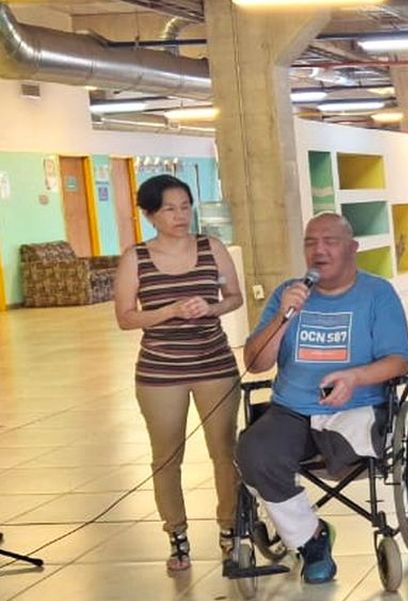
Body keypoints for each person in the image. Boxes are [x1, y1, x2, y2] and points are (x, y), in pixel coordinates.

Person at [235, 212, 408, 584]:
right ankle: (312, 539)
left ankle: (303, 530)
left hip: (357, 408)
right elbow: (255, 363)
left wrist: (355, 377)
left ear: (352, 248)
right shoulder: (287, 293)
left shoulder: (377, 293)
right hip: (292, 409)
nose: (319, 250)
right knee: (254, 453)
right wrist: (283, 316)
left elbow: (399, 360)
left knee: (346, 451)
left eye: (330, 241)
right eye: (310, 242)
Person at [113, 174, 243, 572]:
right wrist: (168, 311)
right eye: (169, 209)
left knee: (225, 451)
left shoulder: (211, 247)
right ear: (150, 214)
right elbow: (125, 317)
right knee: (166, 456)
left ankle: (230, 529)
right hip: (160, 371)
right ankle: (177, 535)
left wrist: (211, 307)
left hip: (214, 364)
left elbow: (234, 297)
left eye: (185, 207)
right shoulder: (135, 258)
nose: (180, 215)